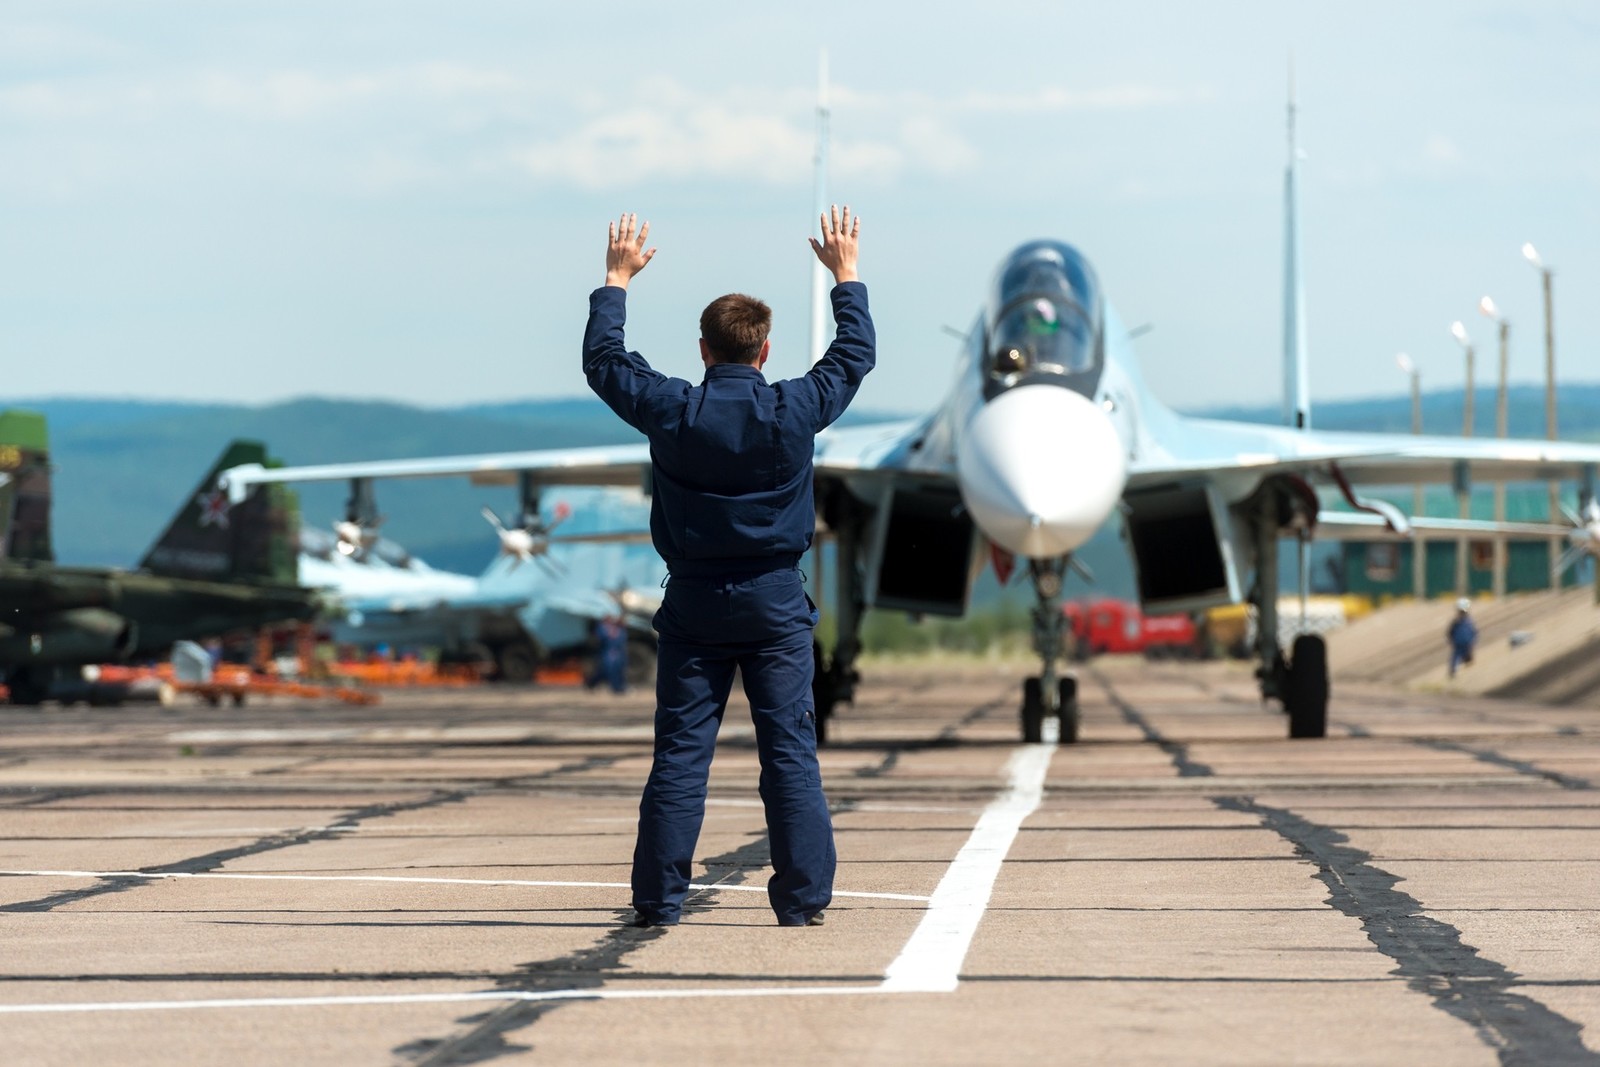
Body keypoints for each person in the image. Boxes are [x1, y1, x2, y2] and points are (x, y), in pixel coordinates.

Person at [583, 207, 873, 928]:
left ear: (704, 351)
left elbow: (606, 364)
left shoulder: (675, 411)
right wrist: (846, 274)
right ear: (766, 350)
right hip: (776, 604)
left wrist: (616, 280)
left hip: (695, 603)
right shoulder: (793, 410)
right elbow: (853, 356)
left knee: (681, 756)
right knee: (789, 755)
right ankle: (802, 900)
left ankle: (658, 900)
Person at [585, 613, 629, 694]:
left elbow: (621, 641)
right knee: (607, 671)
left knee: (619, 671)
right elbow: (601, 639)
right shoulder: (602, 628)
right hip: (607, 652)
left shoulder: (620, 630)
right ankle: (615, 688)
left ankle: (619, 687)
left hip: (618, 653)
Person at [1447, 597, 1478, 678]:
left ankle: (1455, 670)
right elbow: (1474, 632)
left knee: (1457, 656)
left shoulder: (1458, 622)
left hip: (1460, 642)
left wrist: (1451, 639)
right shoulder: (1468, 621)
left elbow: (1450, 632)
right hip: (1465, 642)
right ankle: (1456, 670)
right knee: (1461, 655)